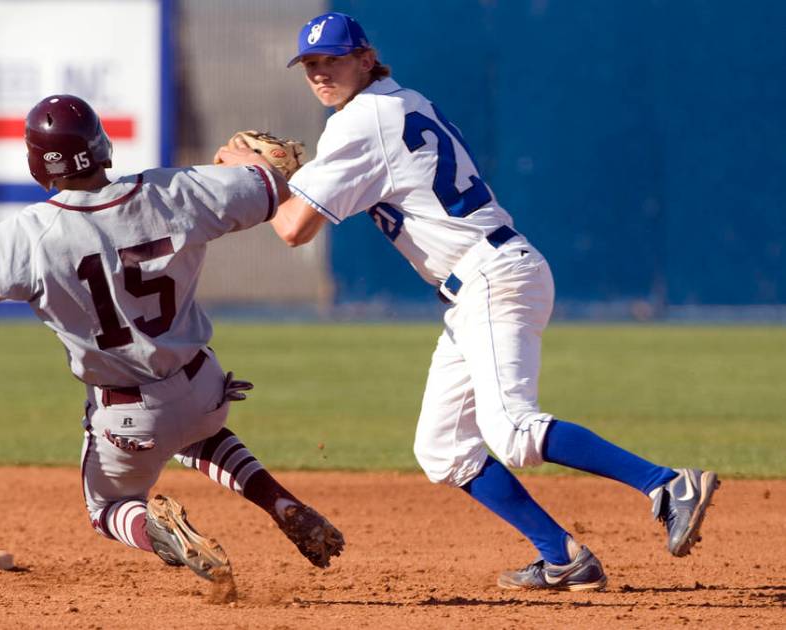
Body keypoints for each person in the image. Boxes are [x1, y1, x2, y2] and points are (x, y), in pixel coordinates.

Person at [216, 12, 718, 592]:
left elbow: (294, 229)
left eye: (333, 59)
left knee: (511, 429)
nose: (321, 73)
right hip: (482, 281)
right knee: (443, 447)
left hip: (489, 277)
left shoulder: (361, 121)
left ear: (365, 58)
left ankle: (665, 485)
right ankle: (564, 556)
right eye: (310, 65)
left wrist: (253, 175)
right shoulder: (400, 101)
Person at [0, 94, 344, 585]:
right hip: (203, 388)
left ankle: (162, 535)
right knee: (198, 435)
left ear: (38, 162)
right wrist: (238, 169)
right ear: (101, 145)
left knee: (108, 509)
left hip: (128, 417)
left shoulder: (30, 237)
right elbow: (277, 182)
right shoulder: (178, 190)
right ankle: (281, 504)